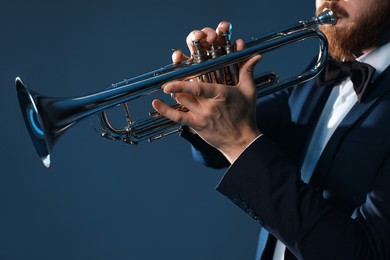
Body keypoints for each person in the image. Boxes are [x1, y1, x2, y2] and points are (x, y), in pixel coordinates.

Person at [153, 0, 390, 259]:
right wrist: (210, 97)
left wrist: (238, 141)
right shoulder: (322, 69)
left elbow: (366, 254)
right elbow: (218, 151)